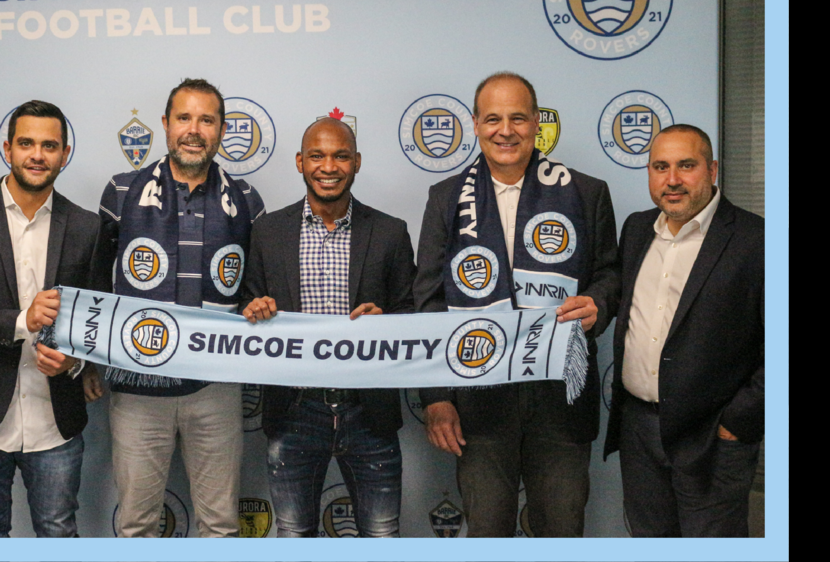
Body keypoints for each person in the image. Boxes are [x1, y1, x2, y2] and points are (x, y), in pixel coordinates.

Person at [414, 72, 619, 537]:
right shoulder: (446, 199)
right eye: (493, 119)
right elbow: (428, 301)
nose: (505, 130)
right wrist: (437, 397)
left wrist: (598, 303)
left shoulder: (587, 193)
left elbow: (610, 274)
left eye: (518, 118)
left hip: (560, 401)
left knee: (562, 530)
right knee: (488, 533)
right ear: (475, 124)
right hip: (478, 404)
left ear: (536, 123)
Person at [92, 78, 264, 537]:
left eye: (206, 119)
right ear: (165, 125)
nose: (194, 129)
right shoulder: (121, 191)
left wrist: (257, 305)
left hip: (216, 387)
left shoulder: (246, 200)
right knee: (136, 525)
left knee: (222, 525)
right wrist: (85, 360)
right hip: (138, 387)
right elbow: (92, 282)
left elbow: (254, 286)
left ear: (222, 129)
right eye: (184, 118)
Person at [240, 117, 416, 537]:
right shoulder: (267, 232)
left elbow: (414, 315)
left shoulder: (391, 232)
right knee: (294, 533)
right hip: (295, 410)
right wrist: (255, 308)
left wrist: (387, 324)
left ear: (356, 162)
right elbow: (246, 304)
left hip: (368, 410)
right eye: (317, 156)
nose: (328, 166)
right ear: (300, 162)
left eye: (340, 156)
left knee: (381, 534)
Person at [0, 99, 103, 537]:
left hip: (56, 423)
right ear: (7, 148)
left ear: (65, 154)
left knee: (58, 531)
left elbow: (97, 321)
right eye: (26, 143)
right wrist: (21, 321)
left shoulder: (87, 227)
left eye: (49, 145)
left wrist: (77, 363)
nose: (37, 154)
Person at [603, 125, 764, 537]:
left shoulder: (756, 240)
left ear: (711, 170)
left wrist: (738, 422)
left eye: (685, 165)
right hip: (638, 429)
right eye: (660, 167)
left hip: (712, 436)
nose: (672, 179)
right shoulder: (637, 229)